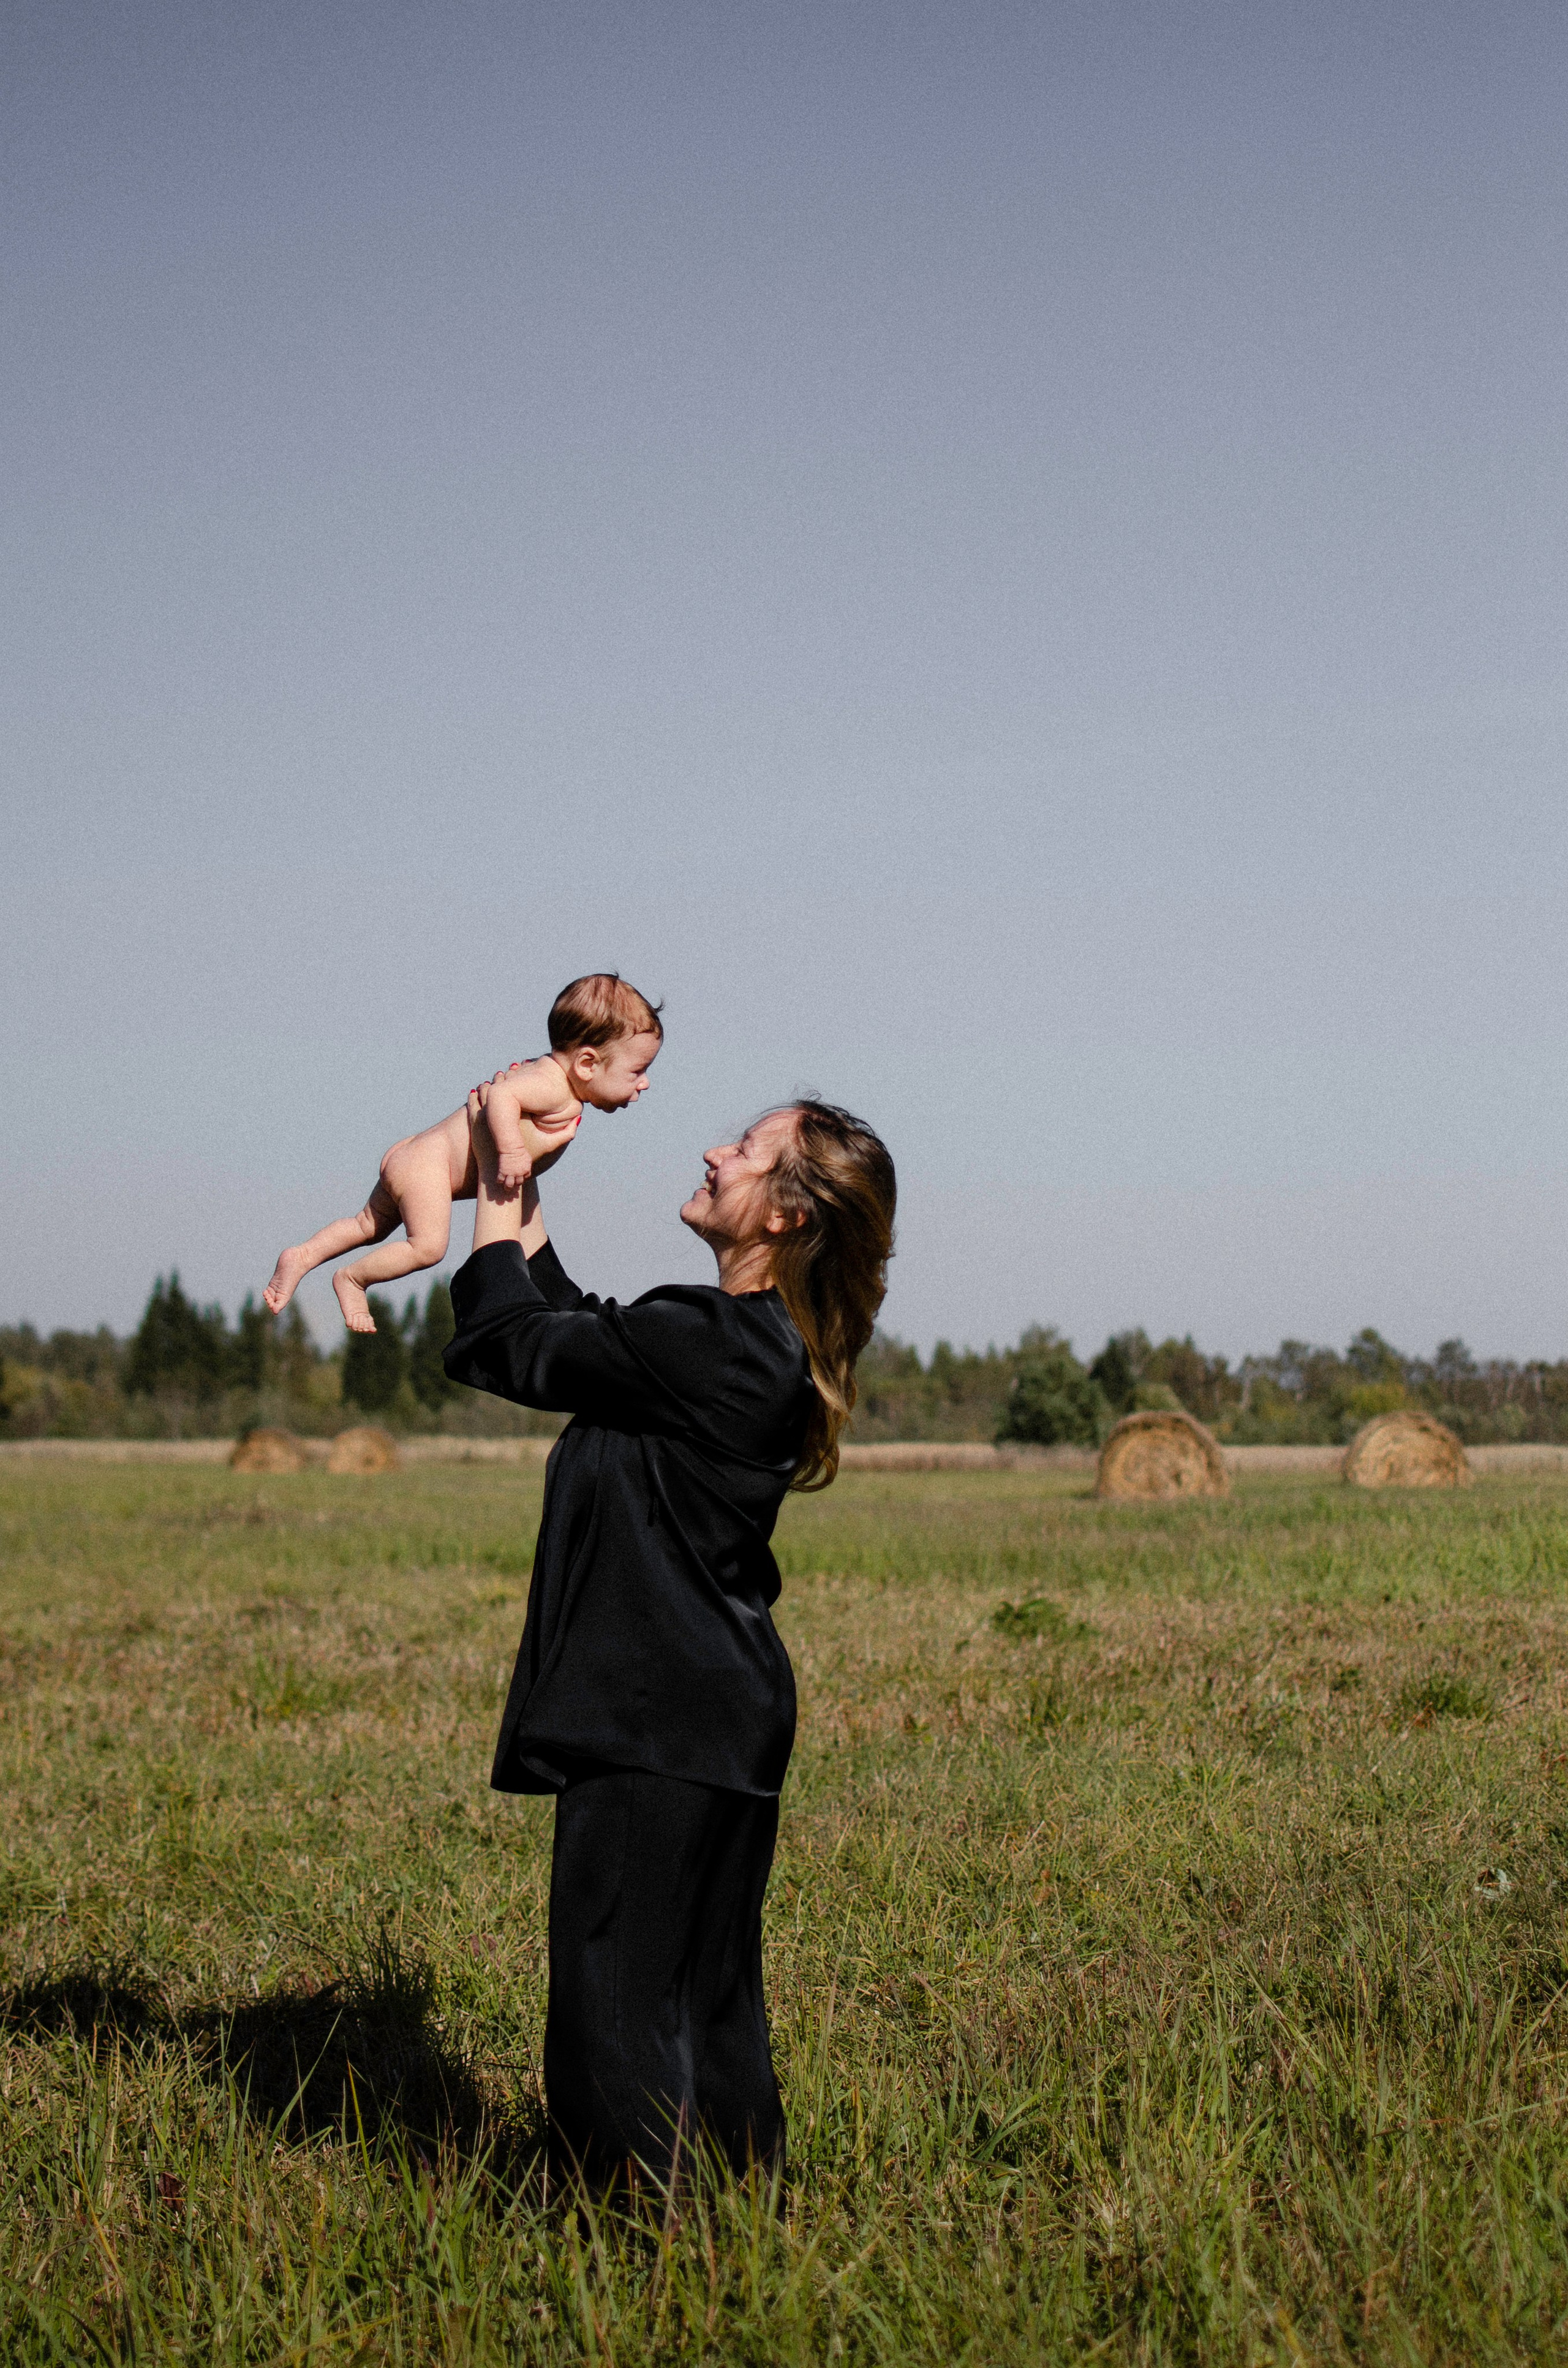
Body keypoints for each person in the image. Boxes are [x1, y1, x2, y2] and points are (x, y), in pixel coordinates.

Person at [442, 1084, 896, 2193]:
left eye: (744, 1148)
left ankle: (640, 2249)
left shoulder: (719, 1340)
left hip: (660, 1711)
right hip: (711, 1716)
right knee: (704, 1997)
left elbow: (512, 1345)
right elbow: (585, 1332)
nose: (712, 1150)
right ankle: (742, 2222)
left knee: (616, 2004)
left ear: (786, 1215)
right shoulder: (739, 1342)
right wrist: (527, 1202)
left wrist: (498, 1185)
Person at [262, 974, 663, 1334]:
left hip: (416, 1157)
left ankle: (302, 1255)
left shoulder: (548, 1078)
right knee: (428, 1247)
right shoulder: (553, 1085)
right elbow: (501, 1096)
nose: (644, 1083)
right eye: (637, 1070)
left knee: (367, 1224)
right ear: (588, 1063)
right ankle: (353, 1279)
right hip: (429, 1167)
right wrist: (509, 1150)